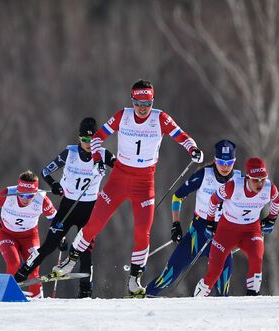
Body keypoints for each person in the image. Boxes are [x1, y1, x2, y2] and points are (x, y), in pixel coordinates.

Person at [51, 79, 204, 298]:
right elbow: (98, 137)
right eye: (138, 102)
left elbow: (182, 136)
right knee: (95, 222)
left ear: (153, 101)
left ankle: (134, 280)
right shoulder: (123, 115)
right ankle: (71, 260)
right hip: (119, 179)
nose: (143, 108)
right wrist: (96, 158)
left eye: (147, 103)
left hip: (144, 183)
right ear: (132, 100)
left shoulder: (159, 118)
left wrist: (193, 149)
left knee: (143, 232)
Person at [13, 117, 116, 298]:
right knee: (49, 245)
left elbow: (124, 170)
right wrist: (54, 184)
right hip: (68, 208)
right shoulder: (70, 153)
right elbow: (46, 171)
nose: (88, 144)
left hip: (89, 210)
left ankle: (85, 291)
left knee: (86, 252)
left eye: (92, 140)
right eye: (84, 140)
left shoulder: (104, 154)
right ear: (79, 138)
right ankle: (21, 274)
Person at [146, 140, 241, 297]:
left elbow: (249, 206)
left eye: (229, 162)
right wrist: (176, 223)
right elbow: (177, 196)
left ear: (234, 161)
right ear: (216, 160)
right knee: (168, 276)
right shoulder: (204, 175)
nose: (225, 167)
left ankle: (221, 319)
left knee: (223, 287)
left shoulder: (239, 180)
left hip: (223, 237)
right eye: (221, 162)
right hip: (197, 233)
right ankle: (141, 301)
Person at [194, 157, 279, 297]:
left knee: (257, 258)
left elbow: (277, 200)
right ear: (247, 178)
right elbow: (214, 200)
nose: (260, 184)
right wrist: (210, 222)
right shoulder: (233, 186)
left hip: (251, 231)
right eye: (255, 180)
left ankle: (252, 298)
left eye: (263, 179)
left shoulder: (269, 189)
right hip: (226, 231)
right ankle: (196, 301)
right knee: (214, 272)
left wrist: (272, 218)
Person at [0, 170, 57, 298]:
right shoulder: (7, 194)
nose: (25, 199)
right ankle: (8, 293)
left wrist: (61, 238)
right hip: (7, 235)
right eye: (22, 195)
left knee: (33, 267)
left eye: (30, 196)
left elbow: (55, 221)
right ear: (18, 191)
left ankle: (37, 297)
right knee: (13, 263)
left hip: (30, 237)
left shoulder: (42, 199)